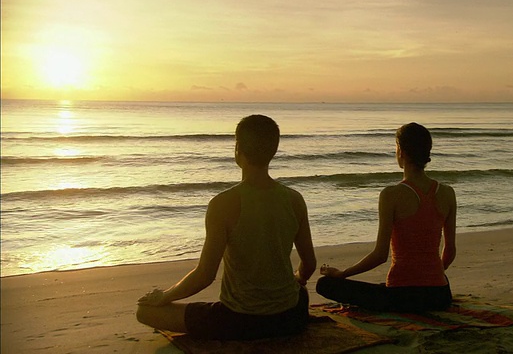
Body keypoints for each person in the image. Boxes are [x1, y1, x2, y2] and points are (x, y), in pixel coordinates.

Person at [137, 114, 317, 340]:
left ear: (237, 149)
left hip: (241, 320)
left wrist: (165, 296)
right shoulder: (294, 199)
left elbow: (205, 275)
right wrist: (297, 279)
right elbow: (309, 264)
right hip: (292, 317)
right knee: (298, 292)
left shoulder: (223, 204)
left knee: (144, 312)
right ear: (274, 150)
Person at [316, 122, 456, 313]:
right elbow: (449, 251)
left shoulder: (391, 195)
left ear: (401, 151)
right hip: (439, 296)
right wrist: (431, 276)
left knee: (325, 285)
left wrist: (343, 273)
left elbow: (380, 256)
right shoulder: (447, 193)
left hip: (401, 297)